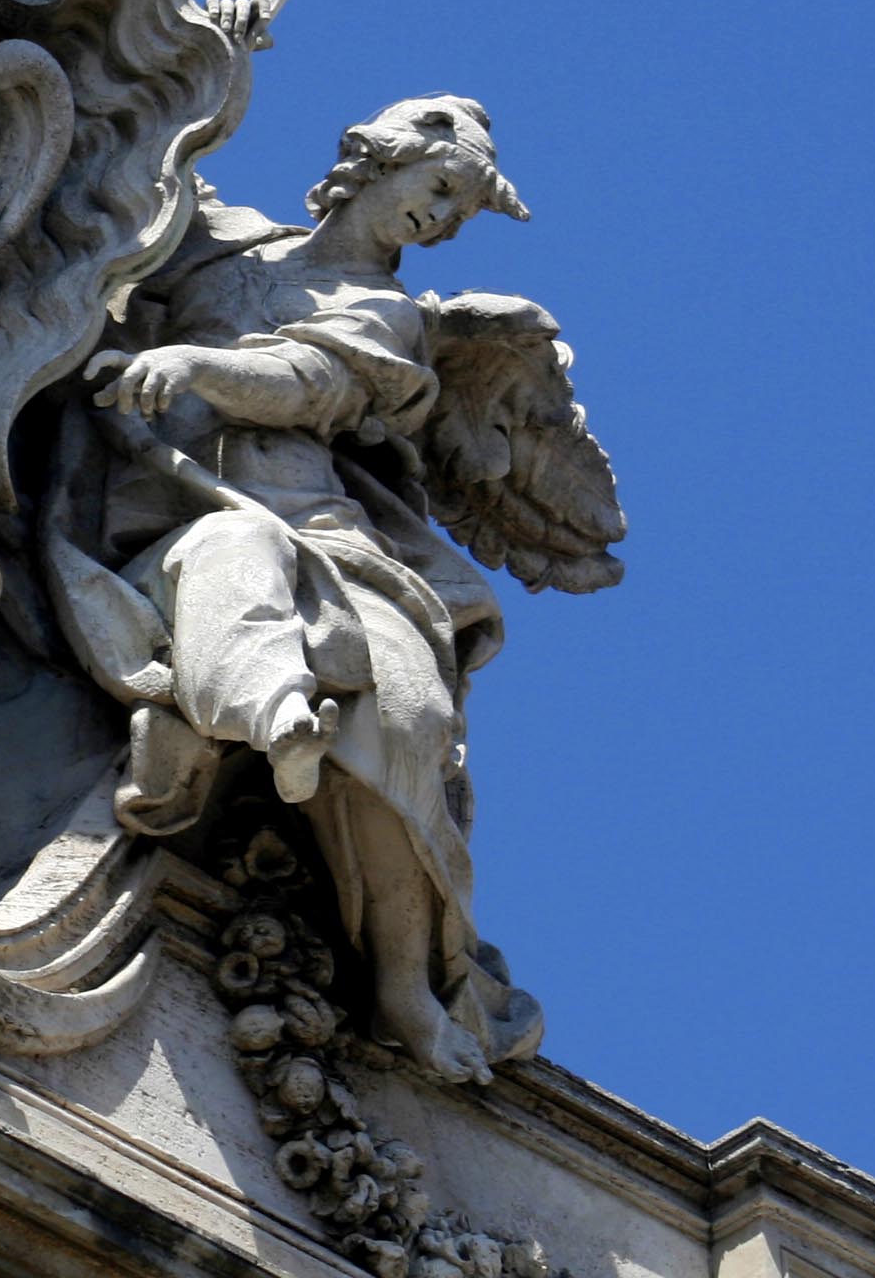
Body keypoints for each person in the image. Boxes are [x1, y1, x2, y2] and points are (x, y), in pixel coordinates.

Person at [73, 97, 546, 1081]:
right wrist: (210, 58)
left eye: (458, 208)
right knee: (233, 554)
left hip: (330, 537)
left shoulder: (389, 312)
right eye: (439, 186)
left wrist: (203, 363)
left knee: (408, 705)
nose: (443, 217)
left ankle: (406, 984)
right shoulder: (229, 243)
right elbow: (138, 140)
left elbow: (309, 382)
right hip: (165, 512)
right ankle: (274, 716)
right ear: (376, 159)